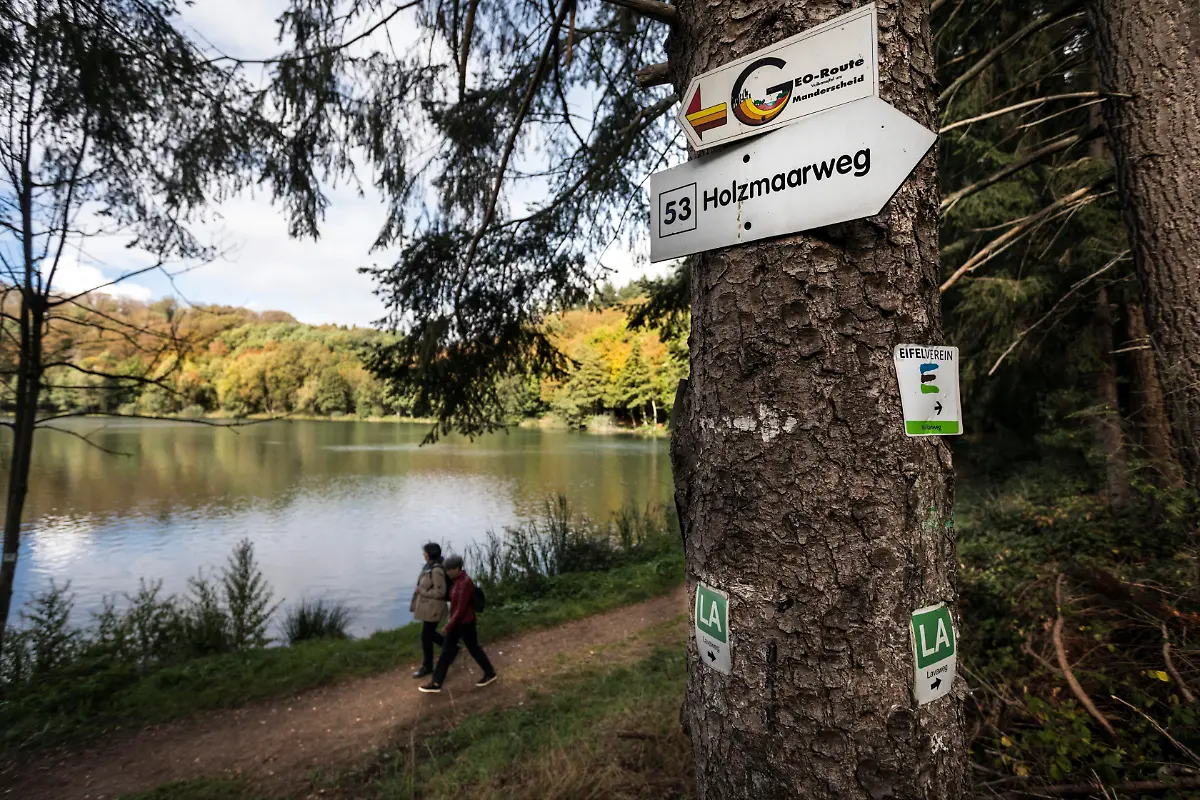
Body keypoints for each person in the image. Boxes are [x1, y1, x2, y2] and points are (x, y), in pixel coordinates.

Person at [418, 554, 497, 693]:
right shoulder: (456, 581)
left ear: (457, 568)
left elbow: (461, 609)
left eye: (449, 569)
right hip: (458, 622)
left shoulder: (464, 584)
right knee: (446, 651)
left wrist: (448, 625)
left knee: (473, 649)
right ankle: (436, 683)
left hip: (465, 623)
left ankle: (490, 673)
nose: (447, 572)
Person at [410, 542, 448, 679]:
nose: (424, 554)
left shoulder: (436, 570)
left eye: (425, 552)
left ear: (430, 554)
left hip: (434, 608)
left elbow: (441, 592)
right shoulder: (429, 567)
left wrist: (422, 591)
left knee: (426, 636)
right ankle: (451, 647)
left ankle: (427, 666)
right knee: (428, 635)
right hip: (429, 607)